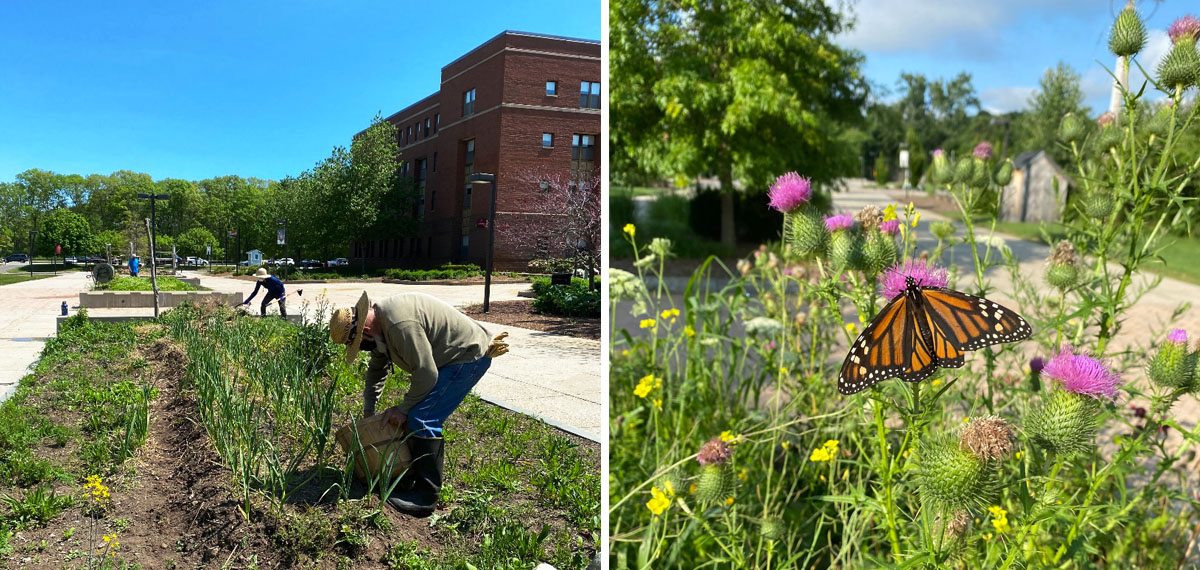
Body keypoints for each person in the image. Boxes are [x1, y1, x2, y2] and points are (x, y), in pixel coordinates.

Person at [329, 292, 508, 517]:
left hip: (466, 356)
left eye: (358, 344)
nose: (363, 348)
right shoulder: (380, 327)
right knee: (417, 414)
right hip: (448, 358)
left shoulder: (398, 326)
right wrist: (369, 410)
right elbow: (377, 369)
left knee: (423, 418)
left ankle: (425, 498)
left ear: (365, 332)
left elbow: (426, 373)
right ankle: (411, 474)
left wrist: (403, 409)